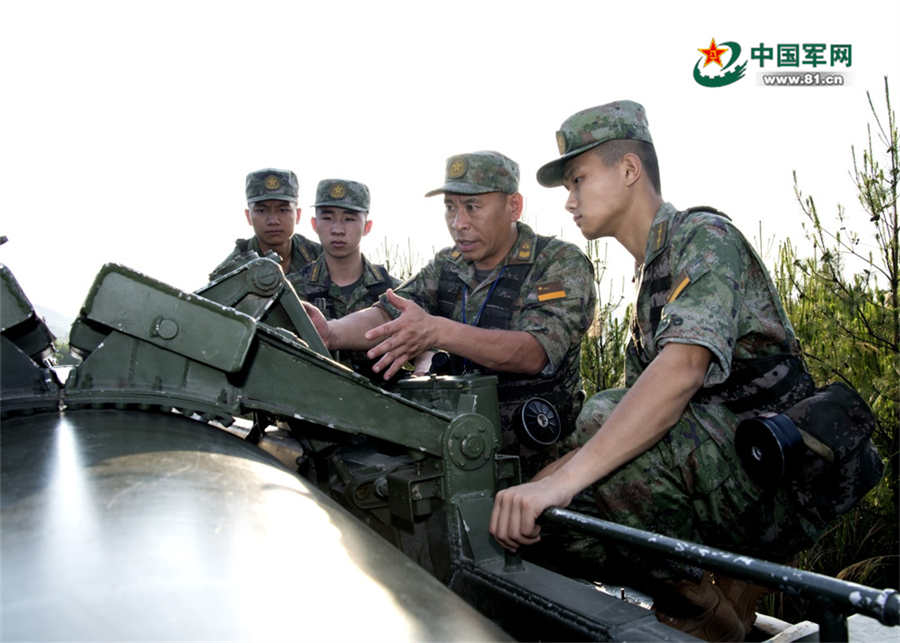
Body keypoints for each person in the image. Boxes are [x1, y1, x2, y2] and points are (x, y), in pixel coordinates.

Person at [489, 101, 824, 642]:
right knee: (541, 524)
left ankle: (706, 600)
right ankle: (711, 596)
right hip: (724, 472)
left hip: (782, 481)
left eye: (578, 180)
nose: (569, 201)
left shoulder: (705, 238)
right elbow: (627, 422)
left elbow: (682, 370)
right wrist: (536, 490)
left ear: (628, 170)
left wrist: (561, 484)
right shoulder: (651, 279)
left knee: (599, 423)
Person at [304, 151, 596, 478]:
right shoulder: (447, 264)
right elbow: (390, 312)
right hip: (462, 459)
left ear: (513, 206)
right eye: (450, 208)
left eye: (472, 207)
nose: (459, 223)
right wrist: (331, 332)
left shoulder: (557, 262)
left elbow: (534, 353)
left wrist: (438, 332)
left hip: (548, 469)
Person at [287, 178, 402, 384]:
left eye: (349, 219)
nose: (337, 229)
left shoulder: (394, 292)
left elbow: (426, 347)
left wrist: (424, 364)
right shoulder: (291, 292)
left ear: (367, 227)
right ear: (314, 224)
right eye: (327, 218)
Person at [209, 168, 322, 280]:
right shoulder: (229, 274)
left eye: (283, 210)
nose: (273, 221)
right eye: (261, 210)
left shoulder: (321, 258)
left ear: (298, 215)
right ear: (248, 216)